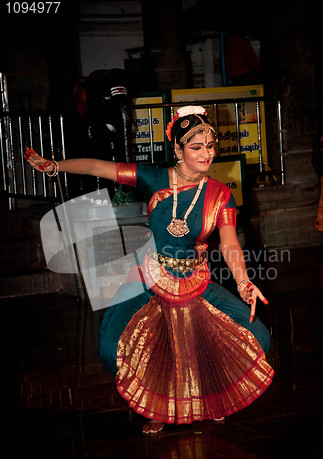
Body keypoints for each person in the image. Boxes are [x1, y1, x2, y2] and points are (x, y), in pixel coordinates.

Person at [25, 105, 274, 435]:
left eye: (210, 146)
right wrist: (56, 165)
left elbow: (229, 243)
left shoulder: (219, 194)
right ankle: (158, 405)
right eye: (196, 147)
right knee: (110, 346)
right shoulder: (154, 178)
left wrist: (243, 282)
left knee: (258, 337)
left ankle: (213, 395)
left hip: (195, 280)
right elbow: (99, 166)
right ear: (178, 150)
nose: (206, 154)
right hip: (147, 275)